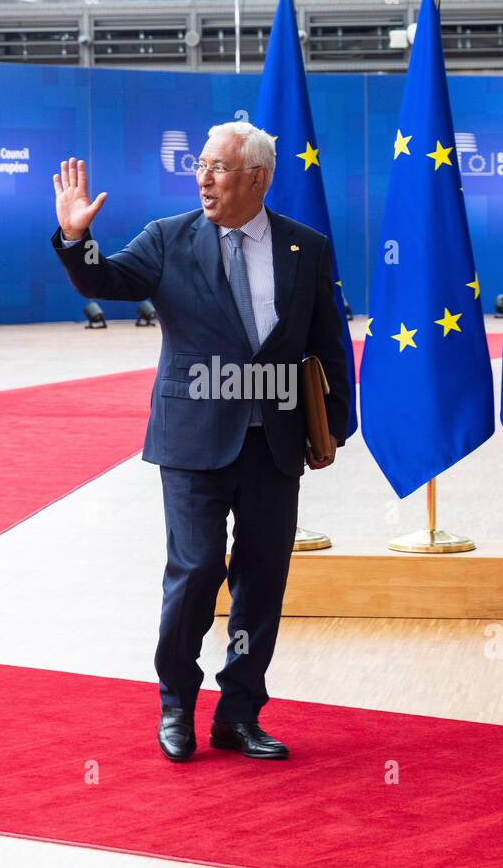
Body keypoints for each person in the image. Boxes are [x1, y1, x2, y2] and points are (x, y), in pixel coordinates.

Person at [51, 121, 351, 762]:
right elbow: (106, 282)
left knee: (262, 580)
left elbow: (327, 339)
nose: (204, 177)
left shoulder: (307, 247)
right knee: (194, 574)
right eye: (202, 166)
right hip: (192, 440)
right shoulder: (167, 239)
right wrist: (77, 240)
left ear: (258, 178)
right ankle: (177, 705)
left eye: (219, 167)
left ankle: (239, 711)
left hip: (273, 440)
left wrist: (335, 425)